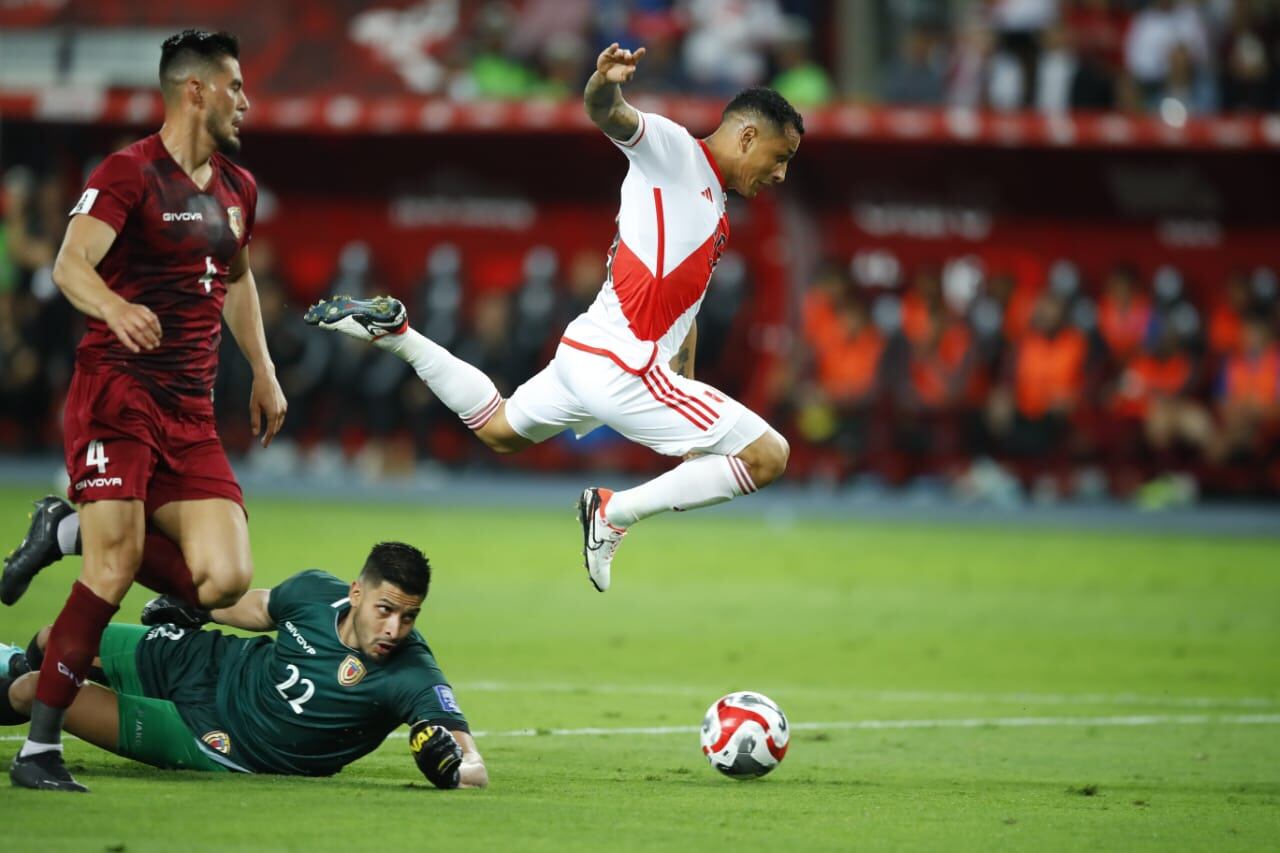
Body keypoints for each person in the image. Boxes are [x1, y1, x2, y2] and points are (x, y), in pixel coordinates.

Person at [304, 44, 801, 594]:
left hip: (590, 352)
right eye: (780, 158)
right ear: (748, 136)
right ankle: (614, 513)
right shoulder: (676, 152)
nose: (780, 174)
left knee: (500, 429)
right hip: (622, 365)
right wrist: (604, 82)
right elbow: (608, 114)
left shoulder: (714, 206)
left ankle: (400, 334)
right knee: (767, 456)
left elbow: (685, 314)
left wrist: (682, 393)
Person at [2, 29, 287, 792]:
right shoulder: (127, 173)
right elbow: (69, 264)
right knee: (116, 563)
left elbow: (238, 280)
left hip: (190, 415)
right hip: (116, 400)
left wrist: (262, 368)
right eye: (235, 87)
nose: (245, 101)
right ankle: (39, 749)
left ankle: (60, 527)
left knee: (223, 580)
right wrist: (114, 307)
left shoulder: (238, 189)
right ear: (194, 90)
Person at [0, 542, 486, 789]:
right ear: (356, 594)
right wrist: (197, 607)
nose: (395, 630)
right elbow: (258, 608)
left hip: (212, 739)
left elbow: (475, 765)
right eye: (386, 610)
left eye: (409, 616)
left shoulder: (412, 672)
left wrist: (452, 771)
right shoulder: (316, 592)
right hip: (206, 662)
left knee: (30, 690)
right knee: (53, 639)